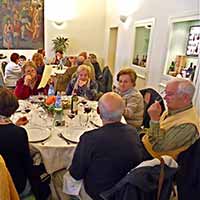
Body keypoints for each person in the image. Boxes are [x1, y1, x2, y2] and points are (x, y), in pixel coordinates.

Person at [52, 92, 142, 200]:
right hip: (125, 191)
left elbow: (76, 174)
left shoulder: (90, 138)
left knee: (56, 176)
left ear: (98, 111)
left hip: (99, 194)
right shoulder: (133, 132)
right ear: (122, 111)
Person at [142, 78, 200, 160]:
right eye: (165, 92)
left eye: (169, 94)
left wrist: (154, 120)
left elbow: (158, 147)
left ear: (185, 98)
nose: (165, 98)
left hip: (155, 160)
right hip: (145, 146)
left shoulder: (188, 125)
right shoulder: (173, 110)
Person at [0, 88, 38, 198]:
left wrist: (15, 126)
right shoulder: (19, 133)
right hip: (16, 185)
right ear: (12, 110)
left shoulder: (17, 131)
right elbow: (27, 164)